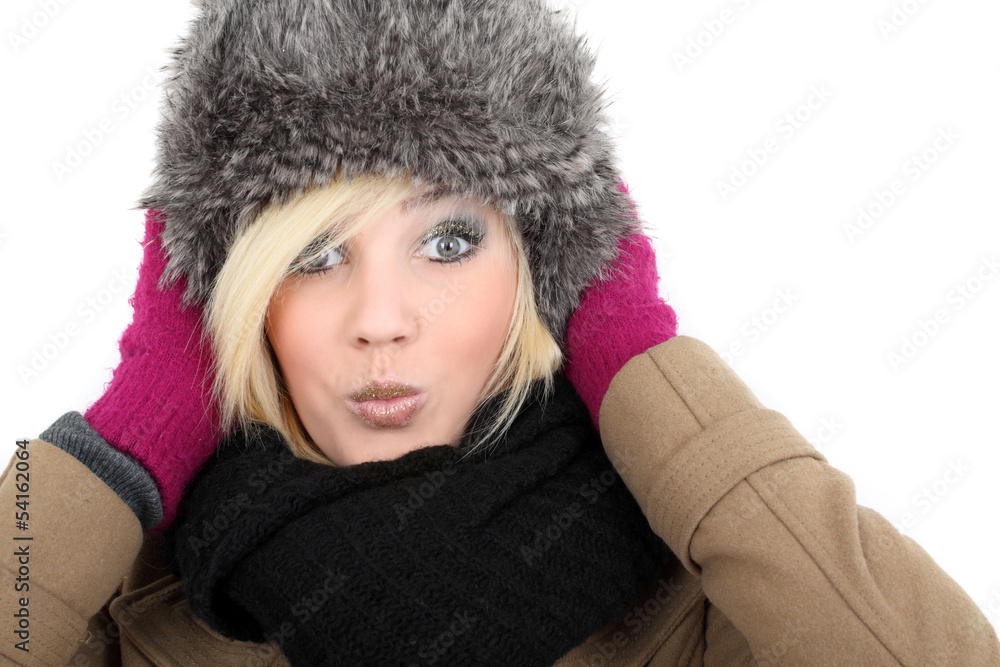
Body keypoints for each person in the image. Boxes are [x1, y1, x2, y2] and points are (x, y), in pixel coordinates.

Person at [2, 1, 998, 665]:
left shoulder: (715, 600)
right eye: (313, 253)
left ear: (537, 271)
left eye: (447, 240)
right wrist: (135, 428)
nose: (381, 321)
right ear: (237, 293)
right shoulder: (115, 608)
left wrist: (636, 358)